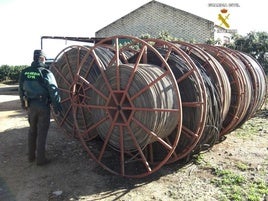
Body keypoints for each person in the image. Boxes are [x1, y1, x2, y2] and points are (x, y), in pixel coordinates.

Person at [19, 49, 61, 166]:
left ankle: (31, 156)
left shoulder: (25, 72)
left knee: (32, 130)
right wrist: (57, 107)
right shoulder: (46, 73)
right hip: (43, 105)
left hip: (31, 106)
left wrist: (24, 104)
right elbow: (53, 91)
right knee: (42, 132)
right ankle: (41, 159)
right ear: (42, 59)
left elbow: (21, 90)